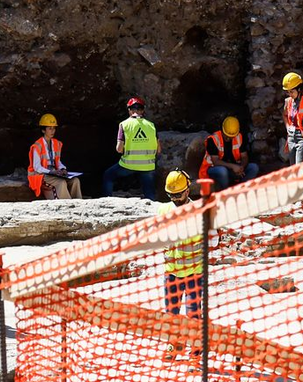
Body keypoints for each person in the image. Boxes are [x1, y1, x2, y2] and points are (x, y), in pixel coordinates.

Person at [157, 171, 203, 359]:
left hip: (194, 272)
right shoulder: (163, 211)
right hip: (171, 272)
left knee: (193, 313)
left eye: (178, 194)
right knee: (171, 312)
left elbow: (212, 240)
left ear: (187, 190)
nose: (175, 199)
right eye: (171, 195)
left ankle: (196, 349)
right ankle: (174, 345)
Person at [102, 97, 160, 198]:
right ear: (142, 110)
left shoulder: (124, 125)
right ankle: (152, 202)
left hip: (128, 164)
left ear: (129, 110)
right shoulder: (152, 126)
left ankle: (106, 199)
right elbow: (158, 150)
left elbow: (119, 149)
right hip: (148, 165)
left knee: (108, 176)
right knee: (149, 190)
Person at [28, 113, 83, 200]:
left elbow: (58, 161)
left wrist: (62, 169)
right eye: (50, 128)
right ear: (43, 130)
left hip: (55, 173)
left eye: (54, 128)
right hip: (42, 176)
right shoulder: (37, 146)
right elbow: (37, 167)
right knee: (61, 183)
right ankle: (67, 204)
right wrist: (51, 172)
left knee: (75, 181)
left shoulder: (56, 143)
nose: (52, 131)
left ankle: (78, 203)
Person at [200, 116, 260, 192]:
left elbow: (244, 156)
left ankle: (241, 189)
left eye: (231, 137)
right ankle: (226, 192)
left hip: (233, 169)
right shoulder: (213, 139)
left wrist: (241, 167)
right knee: (222, 171)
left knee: (253, 167)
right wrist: (233, 166)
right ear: (222, 130)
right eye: (226, 136)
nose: (228, 138)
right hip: (214, 169)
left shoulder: (240, 137)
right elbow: (215, 161)